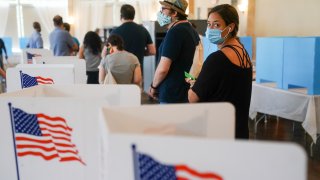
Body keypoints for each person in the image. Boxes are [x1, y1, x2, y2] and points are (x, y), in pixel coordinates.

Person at [188, 4, 253, 139]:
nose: (210, 29)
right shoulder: (244, 53)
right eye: (209, 24)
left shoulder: (217, 59)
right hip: (239, 130)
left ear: (230, 27)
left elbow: (193, 98)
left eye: (216, 25)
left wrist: (192, 85)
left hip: (219, 132)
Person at [148, 0, 199, 103]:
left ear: (175, 13)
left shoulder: (175, 32)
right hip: (183, 91)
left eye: (163, 9)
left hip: (171, 94)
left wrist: (153, 86)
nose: (160, 12)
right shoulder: (190, 29)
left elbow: (163, 68)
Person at [106, 4, 156, 74]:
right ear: (133, 16)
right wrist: (140, 52)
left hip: (119, 72)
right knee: (136, 84)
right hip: (137, 71)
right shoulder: (143, 30)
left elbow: (107, 52)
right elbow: (152, 51)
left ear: (121, 16)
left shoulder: (114, 32)